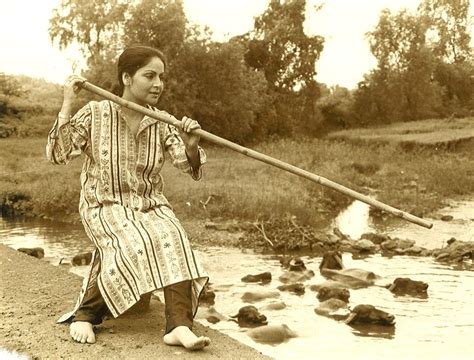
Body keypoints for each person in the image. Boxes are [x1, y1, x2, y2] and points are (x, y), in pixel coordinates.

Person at [46, 45, 210, 350]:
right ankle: (86, 314)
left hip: (149, 204)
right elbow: (58, 154)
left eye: (161, 77)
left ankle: (178, 326)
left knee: (172, 233)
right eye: (150, 75)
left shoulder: (163, 121)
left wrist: (190, 144)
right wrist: (68, 104)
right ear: (126, 77)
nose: (158, 84)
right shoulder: (95, 113)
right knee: (132, 237)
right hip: (104, 204)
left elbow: (190, 166)